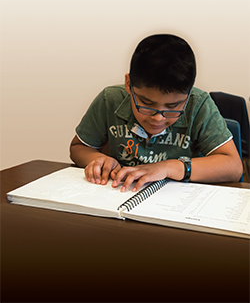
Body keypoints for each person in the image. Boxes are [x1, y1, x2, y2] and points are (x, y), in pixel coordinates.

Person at [70, 34, 243, 192]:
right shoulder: (110, 100)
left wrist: (169, 167)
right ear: (129, 84)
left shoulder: (199, 104)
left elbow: (233, 167)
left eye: (174, 106)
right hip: (121, 196)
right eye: (146, 103)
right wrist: (97, 159)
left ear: (188, 95)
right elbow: (78, 147)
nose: (158, 117)